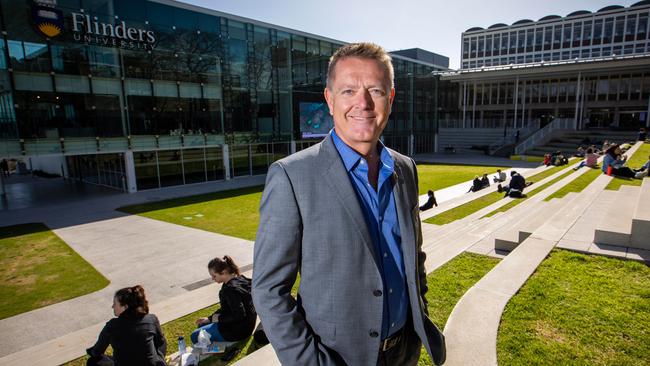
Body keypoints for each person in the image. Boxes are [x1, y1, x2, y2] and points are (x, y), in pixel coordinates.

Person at [252, 42, 445, 366]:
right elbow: (269, 291)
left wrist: (418, 309)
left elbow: (414, 256)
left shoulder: (406, 168)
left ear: (391, 99)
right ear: (329, 99)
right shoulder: (290, 176)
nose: (363, 103)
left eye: (375, 90)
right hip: (339, 358)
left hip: (405, 351)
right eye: (348, 90)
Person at [86, 286, 167, 366]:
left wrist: (91, 351)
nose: (112, 306)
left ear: (125, 307)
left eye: (115, 304)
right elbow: (161, 342)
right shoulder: (151, 319)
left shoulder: (112, 325)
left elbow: (97, 351)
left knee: (93, 361)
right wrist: (160, 360)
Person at [191, 256, 256, 345]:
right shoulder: (241, 279)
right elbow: (228, 309)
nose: (213, 279)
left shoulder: (230, 289)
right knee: (202, 325)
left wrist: (216, 319)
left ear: (224, 272)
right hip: (247, 326)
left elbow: (239, 315)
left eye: (214, 276)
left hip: (238, 331)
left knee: (194, 336)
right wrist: (210, 318)